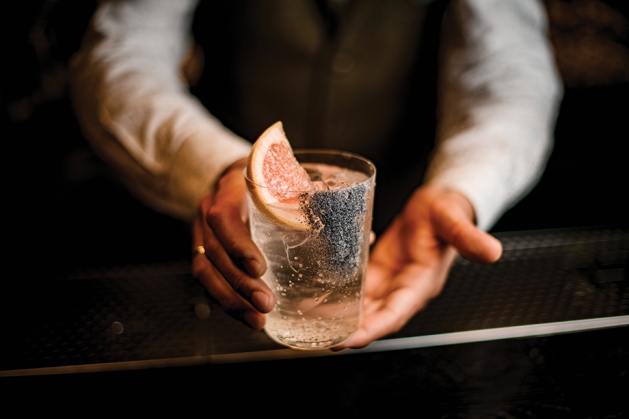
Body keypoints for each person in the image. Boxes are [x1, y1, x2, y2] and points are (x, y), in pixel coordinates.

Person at [69, 0, 562, 349]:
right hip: (219, 246)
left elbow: (513, 71)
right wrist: (217, 165)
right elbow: (118, 56)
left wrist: (461, 189)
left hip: (395, 246)